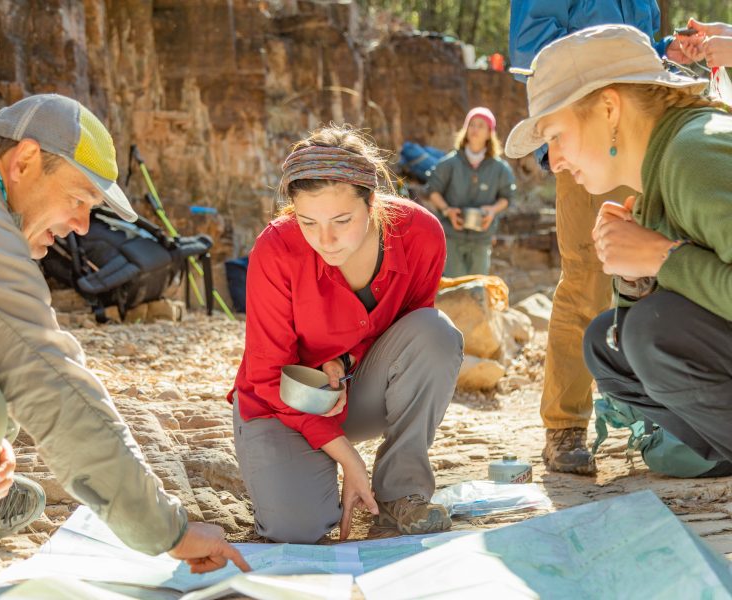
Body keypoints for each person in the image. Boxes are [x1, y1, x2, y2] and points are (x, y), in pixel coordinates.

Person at [0, 93, 249, 575]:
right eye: (77, 200)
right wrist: (168, 530)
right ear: (26, 161)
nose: (80, 226)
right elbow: (51, 379)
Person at [504, 25, 732, 474]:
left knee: (651, 331)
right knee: (607, 341)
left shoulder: (694, 153)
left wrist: (664, 258)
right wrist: (636, 277)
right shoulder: (658, 169)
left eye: (556, 135)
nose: (556, 161)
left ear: (608, 108)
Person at [229, 125, 464, 544]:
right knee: (297, 529)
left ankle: (399, 495)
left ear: (372, 201)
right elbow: (267, 377)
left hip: (353, 394)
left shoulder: (421, 235)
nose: (326, 240)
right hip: (281, 406)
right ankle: (307, 471)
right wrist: (349, 459)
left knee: (436, 335)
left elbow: (409, 338)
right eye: (307, 222)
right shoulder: (275, 250)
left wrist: (348, 362)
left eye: (342, 220)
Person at [425, 107, 515, 276]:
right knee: (453, 288)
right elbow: (432, 191)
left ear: (489, 133)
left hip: (482, 238)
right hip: (452, 235)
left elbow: (507, 197)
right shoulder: (449, 163)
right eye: (472, 125)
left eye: (481, 125)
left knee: (477, 288)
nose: (475, 129)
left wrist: (493, 210)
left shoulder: (499, 168)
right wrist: (447, 210)